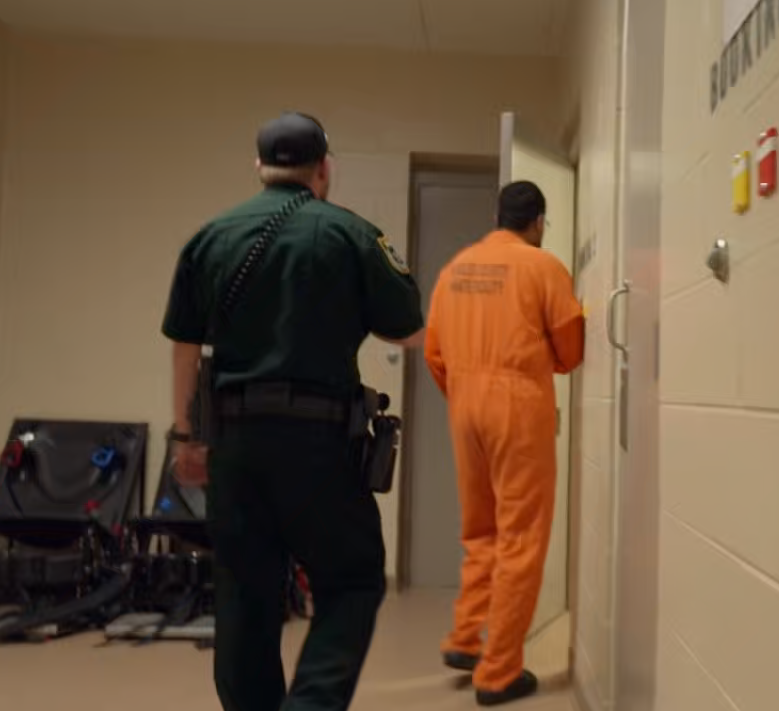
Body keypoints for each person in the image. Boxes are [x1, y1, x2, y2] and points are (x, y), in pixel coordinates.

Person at [161, 111, 424, 711]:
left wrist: (186, 437)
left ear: (258, 166)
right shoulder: (351, 234)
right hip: (320, 444)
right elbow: (408, 330)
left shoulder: (209, 238)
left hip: (235, 444)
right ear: (324, 168)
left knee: (243, 597)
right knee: (353, 578)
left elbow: (184, 348)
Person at [424, 180, 586, 706]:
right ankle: (498, 673)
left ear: (498, 218)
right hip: (517, 408)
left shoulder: (454, 270)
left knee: (481, 531)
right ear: (538, 222)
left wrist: (466, 391)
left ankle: (465, 638)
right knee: (521, 538)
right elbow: (570, 351)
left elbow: (434, 353)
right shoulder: (544, 268)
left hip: (464, 406)